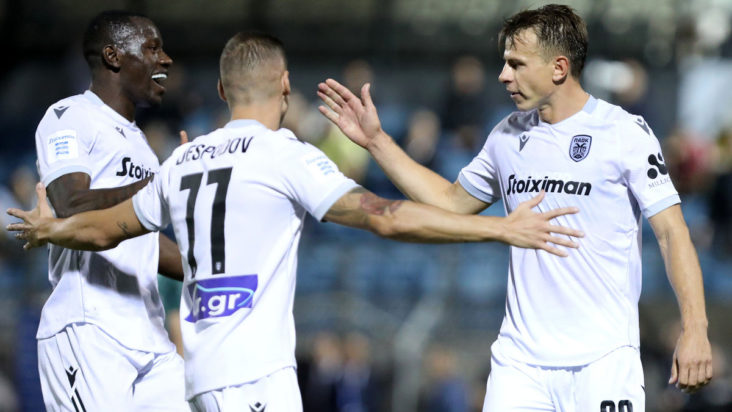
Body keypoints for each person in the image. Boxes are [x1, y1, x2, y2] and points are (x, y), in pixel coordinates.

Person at [8, 32, 584, 411]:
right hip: (255, 376)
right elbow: (384, 217)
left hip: (197, 377)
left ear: (221, 90)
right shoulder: (283, 154)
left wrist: (50, 229)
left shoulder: (182, 160)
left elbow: (104, 228)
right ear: (285, 86)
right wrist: (499, 229)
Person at [316, 4, 713, 411]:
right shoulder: (506, 136)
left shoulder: (625, 133)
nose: (504, 75)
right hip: (519, 364)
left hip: (602, 361)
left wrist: (695, 328)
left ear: (559, 68)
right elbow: (451, 202)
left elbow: (672, 233)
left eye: (517, 64)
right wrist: (377, 142)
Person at [30, 10, 187, 410]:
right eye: (152, 48)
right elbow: (70, 203)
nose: (165, 59)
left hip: (149, 335)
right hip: (89, 326)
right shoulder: (69, 116)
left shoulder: (142, 147)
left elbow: (143, 240)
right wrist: (163, 186)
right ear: (114, 56)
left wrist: (209, 265)